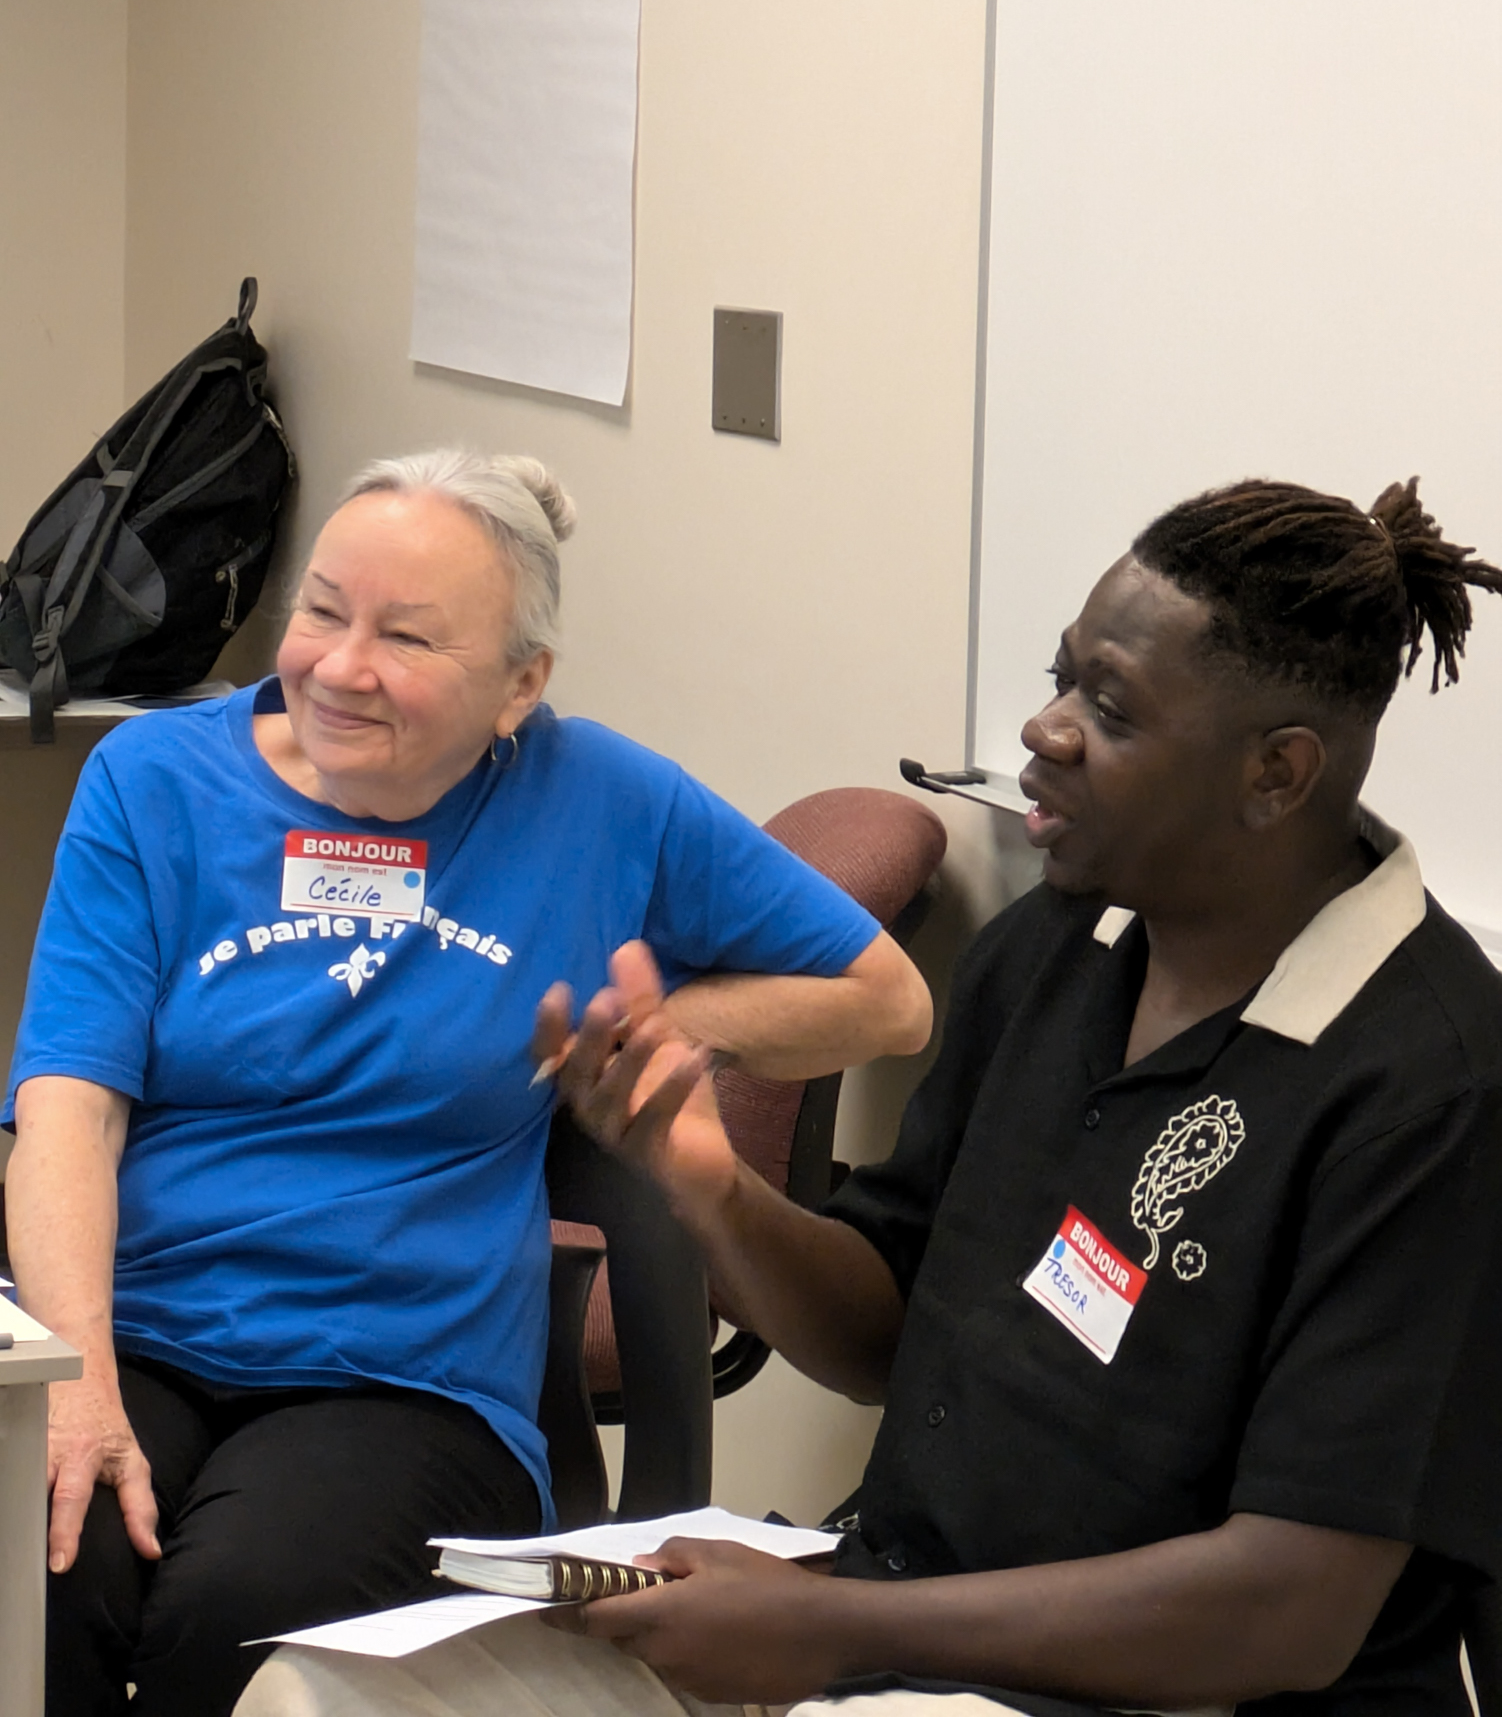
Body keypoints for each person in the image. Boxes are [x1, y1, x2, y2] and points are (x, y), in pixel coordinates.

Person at [241, 475, 1502, 1717]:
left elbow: (1289, 1604)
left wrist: (826, 1631)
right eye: (1060, 677)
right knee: (320, 1694)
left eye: (1108, 708)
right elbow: (879, 1337)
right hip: (892, 1614)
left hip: (1136, 1690)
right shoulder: (1052, 948)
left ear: (1275, 772)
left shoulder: (1430, 1086)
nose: (1044, 730)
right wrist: (711, 1187)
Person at [2, 447, 932, 1717]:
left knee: (235, 1613)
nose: (340, 665)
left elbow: (887, 996)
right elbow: (69, 1103)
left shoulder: (598, 799)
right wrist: (75, 1383)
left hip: (399, 1374)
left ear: (519, 684)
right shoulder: (154, 779)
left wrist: (663, 1024)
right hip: (133, 1323)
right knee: (39, 1566)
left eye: (405, 636)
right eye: (322, 610)